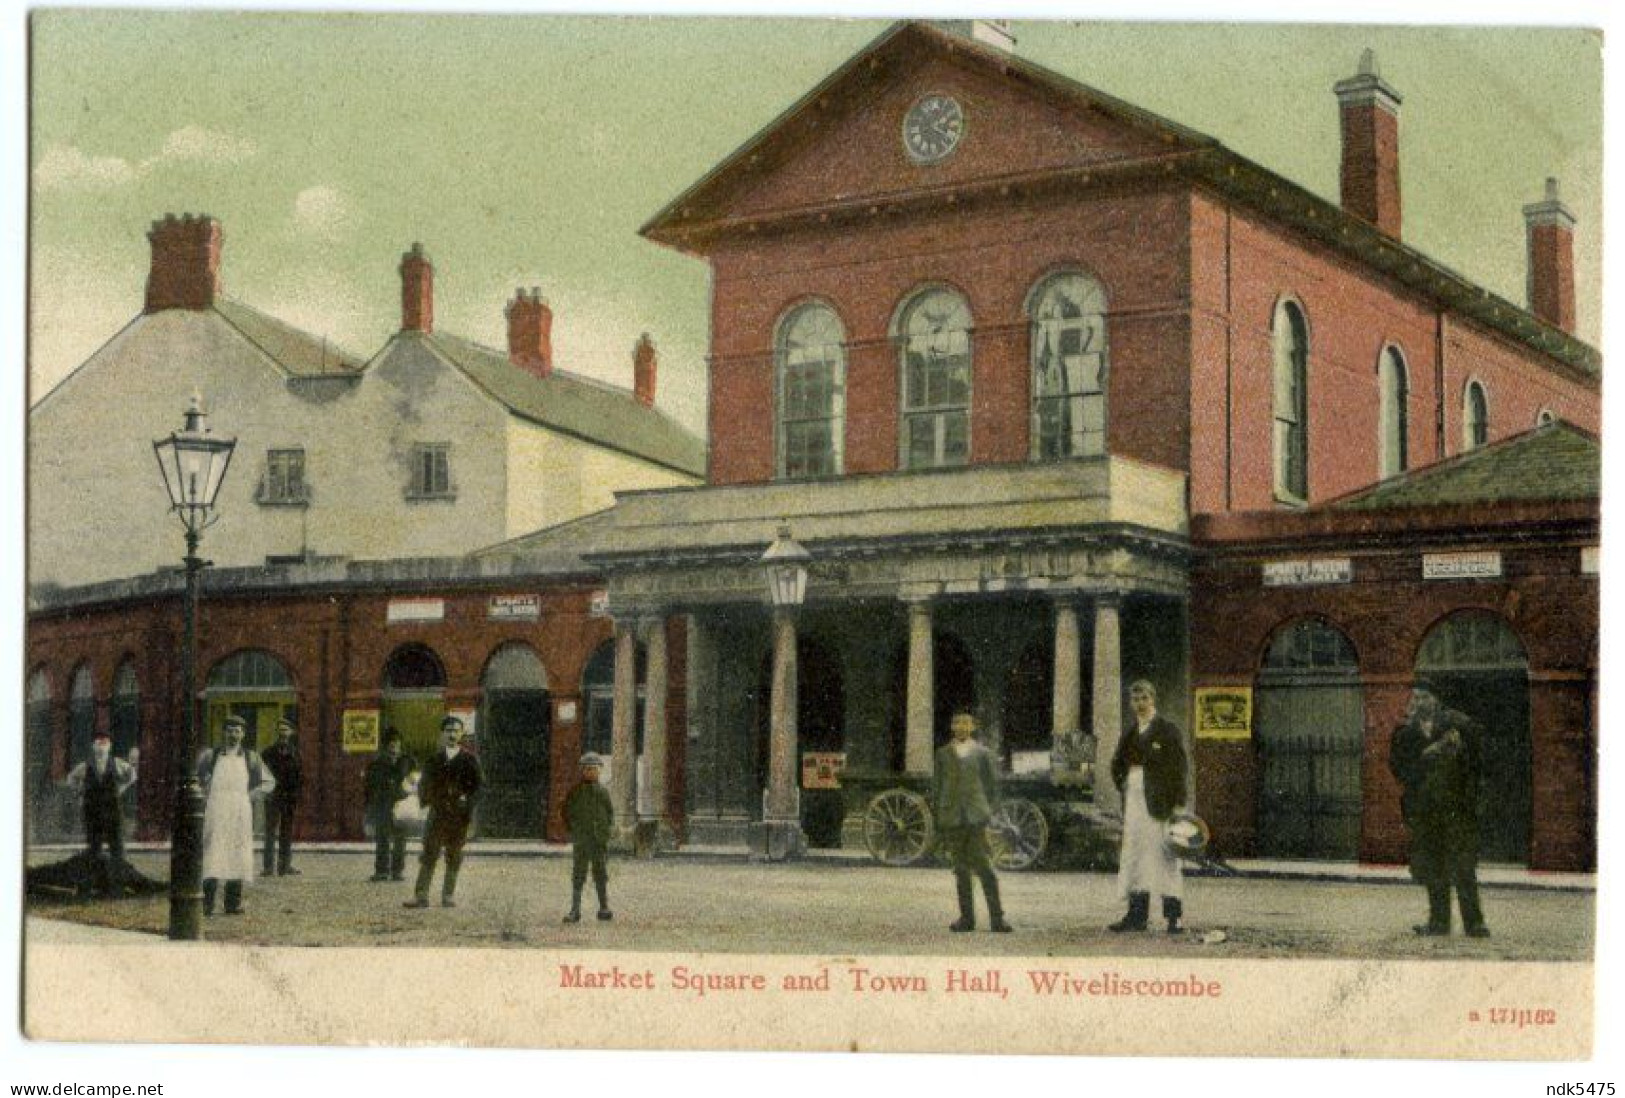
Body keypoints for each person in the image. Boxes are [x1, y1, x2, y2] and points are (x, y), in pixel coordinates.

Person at [1388, 680, 1490, 938]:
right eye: (1416, 698)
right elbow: (1399, 770)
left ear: (1435, 700)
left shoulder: (1458, 725)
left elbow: (1479, 761)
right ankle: (1438, 922)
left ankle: (1474, 923)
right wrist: (1426, 756)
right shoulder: (1405, 734)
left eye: (1425, 697)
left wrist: (1461, 750)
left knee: (1464, 866)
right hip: (1424, 810)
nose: (1420, 702)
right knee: (1433, 866)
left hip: (1457, 808)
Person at [1109, 680, 1190, 934]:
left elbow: (1179, 769)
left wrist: (1178, 805)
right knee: (1134, 855)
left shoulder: (1167, 731)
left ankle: (1174, 917)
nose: (1140, 704)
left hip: (1159, 806)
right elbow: (1117, 764)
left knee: (1165, 857)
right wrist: (1124, 783)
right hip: (1134, 804)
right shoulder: (1130, 733)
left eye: (1144, 698)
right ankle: (1136, 916)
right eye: (1135, 700)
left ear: (1153, 699)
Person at [932, 711, 1011, 933]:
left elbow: (991, 787)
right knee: (960, 869)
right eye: (956, 721)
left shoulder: (982, 754)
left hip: (976, 818)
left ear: (973, 726)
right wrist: (940, 814)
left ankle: (997, 919)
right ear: (951, 726)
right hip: (953, 817)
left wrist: (986, 811)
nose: (961, 726)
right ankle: (967, 919)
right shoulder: (942, 753)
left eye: (965, 722)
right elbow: (937, 786)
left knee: (985, 867)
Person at [197, 715, 276, 916]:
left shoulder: (251, 757)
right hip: (216, 808)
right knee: (213, 852)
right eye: (230, 730)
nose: (233, 735)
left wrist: (250, 796)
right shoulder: (210, 756)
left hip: (240, 810)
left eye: (237, 731)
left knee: (237, 854)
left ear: (243, 734)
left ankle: (232, 904)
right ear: (223, 733)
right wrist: (205, 793)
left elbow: (269, 782)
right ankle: (207, 903)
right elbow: (196, 779)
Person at [405, 716, 482, 909]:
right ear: (442, 734)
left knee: (454, 854)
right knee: (429, 852)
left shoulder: (469, 759)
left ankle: (448, 895)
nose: (452, 735)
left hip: (458, 815)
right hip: (438, 814)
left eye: (456, 731)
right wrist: (431, 799)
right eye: (448, 731)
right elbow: (424, 785)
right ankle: (421, 895)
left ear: (462, 733)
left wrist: (467, 803)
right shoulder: (434, 759)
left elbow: (479, 787)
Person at [65, 732, 138, 862]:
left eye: (105, 743)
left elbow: (132, 775)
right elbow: (71, 779)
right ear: (93, 746)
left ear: (109, 746)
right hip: (92, 807)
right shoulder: (85, 765)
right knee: (94, 841)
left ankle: (119, 867)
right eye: (98, 743)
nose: (101, 747)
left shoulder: (117, 763)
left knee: (116, 840)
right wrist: (81, 791)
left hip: (112, 807)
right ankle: (95, 870)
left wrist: (121, 789)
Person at [563, 753, 614, 923]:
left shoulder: (603, 792)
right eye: (587, 769)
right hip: (582, 839)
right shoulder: (576, 792)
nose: (591, 772)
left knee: (600, 873)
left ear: (599, 771)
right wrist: (575, 831)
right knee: (579, 873)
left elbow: (609, 813)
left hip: (598, 840)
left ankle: (604, 907)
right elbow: (567, 813)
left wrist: (605, 832)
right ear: (582, 771)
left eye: (594, 769)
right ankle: (575, 910)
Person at [364, 728, 415, 882]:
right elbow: (371, 788)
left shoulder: (407, 761)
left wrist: (409, 789)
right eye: (391, 744)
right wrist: (370, 810)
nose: (395, 747)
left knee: (400, 840)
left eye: (397, 744)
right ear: (386, 746)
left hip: (401, 805)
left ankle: (397, 871)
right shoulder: (377, 763)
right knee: (383, 839)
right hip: (383, 805)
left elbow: (413, 779)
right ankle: (381, 870)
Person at [261, 717, 303, 876]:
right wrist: (265, 793)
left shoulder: (296, 753)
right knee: (270, 832)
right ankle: (268, 867)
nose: (282, 733)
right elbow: (261, 774)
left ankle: (284, 866)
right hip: (273, 796)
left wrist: (297, 795)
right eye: (280, 730)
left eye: (285, 730)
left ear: (291, 732)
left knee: (287, 832)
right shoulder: (268, 752)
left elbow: (300, 776)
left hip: (289, 797)